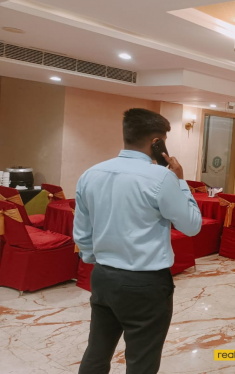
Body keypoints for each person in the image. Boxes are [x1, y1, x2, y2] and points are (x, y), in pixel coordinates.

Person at [74, 108, 203, 374]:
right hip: (145, 283)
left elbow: (82, 234)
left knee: (97, 351)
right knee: (141, 360)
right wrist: (180, 181)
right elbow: (191, 226)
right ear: (158, 143)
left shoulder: (91, 174)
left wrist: (97, 260)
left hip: (103, 275)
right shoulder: (162, 177)